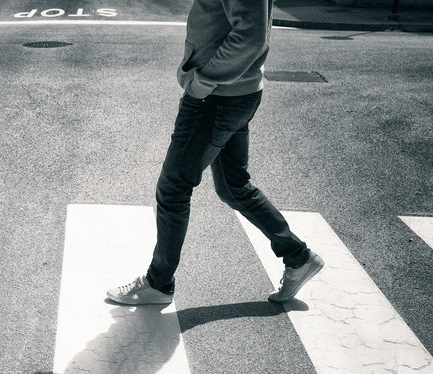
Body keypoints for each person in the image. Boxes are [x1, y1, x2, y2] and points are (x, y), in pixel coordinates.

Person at [107, 0, 324, 306]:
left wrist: (203, 81)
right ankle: (298, 256)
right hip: (234, 92)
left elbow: (250, 37)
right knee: (234, 186)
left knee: (173, 189)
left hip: (217, 98)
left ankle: (158, 283)